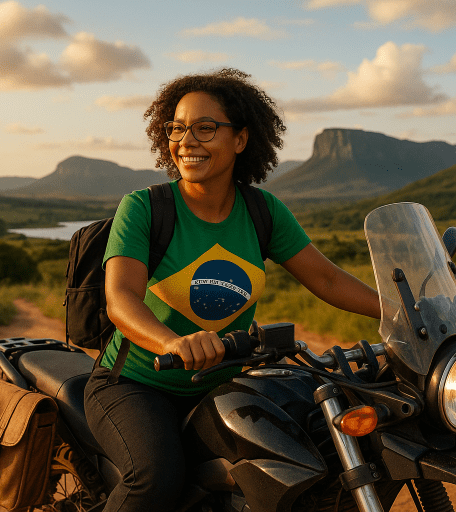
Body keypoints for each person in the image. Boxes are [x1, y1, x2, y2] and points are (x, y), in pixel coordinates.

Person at [84, 68, 381, 512]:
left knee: (306, 461)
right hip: (137, 383)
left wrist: (401, 310)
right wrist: (174, 341)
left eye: (205, 128)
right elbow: (121, 298)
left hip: (223, 384)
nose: (187, 140)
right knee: (155, 478)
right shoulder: (145, 207)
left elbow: (328, 279)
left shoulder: (264, 211)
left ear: (241, 140)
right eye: (178, 128)